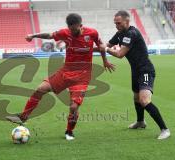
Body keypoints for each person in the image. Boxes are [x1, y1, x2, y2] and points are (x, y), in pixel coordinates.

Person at [6, 13, 115, 141]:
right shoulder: (65, 33)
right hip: (66, 71)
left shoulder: (92, 33)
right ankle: (24, 116)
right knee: (40, 89)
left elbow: (101, 46)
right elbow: (49, 35)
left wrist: (105, 61)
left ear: (80, 25)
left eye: (75, 29)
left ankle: (69, 131)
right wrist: (33, 36)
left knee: (74, 107)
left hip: (82, 75)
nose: (72, 32)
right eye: (70, 29)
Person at [99, 10, 170, 140]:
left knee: (144, 100)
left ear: (127, 21)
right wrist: (92, 46)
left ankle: (165, 129)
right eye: (115, 23)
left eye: (119, 23)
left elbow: (119, 54)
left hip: (145, 70)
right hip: (135, 71)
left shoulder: (131, 33)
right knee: (136, 98)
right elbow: (105, 45)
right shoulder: (119, 34)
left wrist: (107, 49)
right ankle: (140, 122)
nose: (116, 25)